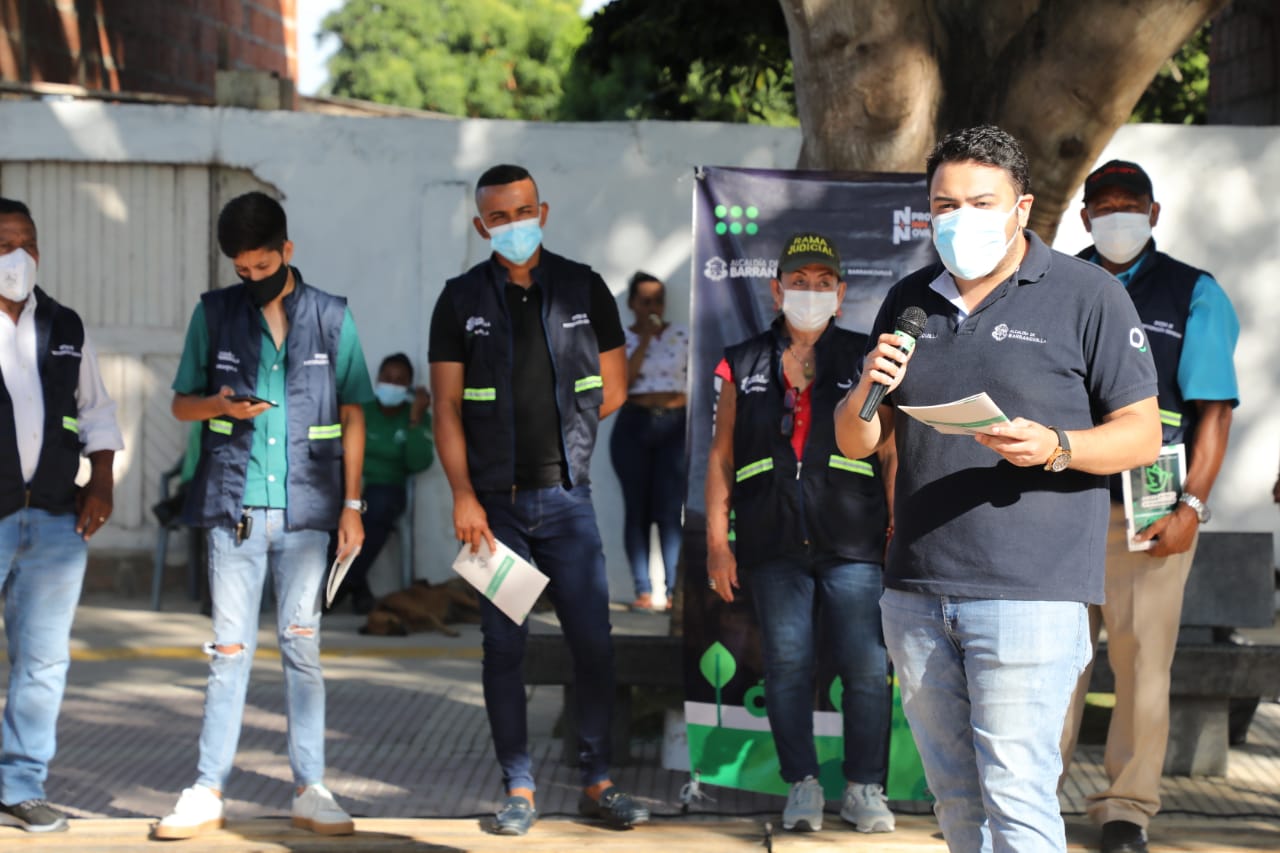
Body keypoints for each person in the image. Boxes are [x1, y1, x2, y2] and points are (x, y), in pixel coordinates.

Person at [833, 125, 1162, 853]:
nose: (959, 219)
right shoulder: (909, 301)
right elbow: (856, 439)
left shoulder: (1087, 294)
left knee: (1017, 796)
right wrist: (867, 383)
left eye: (981, 202)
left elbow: (1140, 433)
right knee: (956, 803)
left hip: (1030, 594)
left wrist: (1058, 446)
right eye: (943, 204)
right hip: (916, 591)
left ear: (1023, 207)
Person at [429, 164, 647, 836]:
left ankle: (597, 779)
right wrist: (464, 495)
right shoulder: (459, 299)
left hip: (567, 501)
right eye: (499, 217)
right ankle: (518, 785)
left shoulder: (583, 286)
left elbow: (613, 387)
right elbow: (445, 406)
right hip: (496, 512)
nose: (514, 225)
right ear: (480, 226)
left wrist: (570, 440)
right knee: (505, 645)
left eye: (523, 211)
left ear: (542, 211)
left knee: (593, 643)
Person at [156, 191, 373, 840]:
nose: (252, 279)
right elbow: (180, 406)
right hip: (235, 510)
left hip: (310, 512)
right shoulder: (214, 313)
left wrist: (354, 506)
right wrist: (219, 405)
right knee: (229, 651)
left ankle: (311, 787)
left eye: (262, 265)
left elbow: (357, 408)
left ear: (287, 250)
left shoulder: (332, 317)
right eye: (241, 269)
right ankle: (206, 787)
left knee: (302, 649)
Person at [1059, 160, 1239, 853]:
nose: (1117, 217)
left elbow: (1214, 410)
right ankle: (1029, 802)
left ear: (1154, 213)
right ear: (1084, 219)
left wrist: (1192, 502)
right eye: (1104, 207)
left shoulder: (1195, 293)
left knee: (1141, 666)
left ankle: (1125, 808)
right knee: (1049, 661)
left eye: (1129, 205)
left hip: (1151, 508)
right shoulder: (1055, 284)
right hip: (1062, 505)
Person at [705, 232, 896, 834]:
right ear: (776, 289)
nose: (808, 292)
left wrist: (899, 528)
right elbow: (720, 457)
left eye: (822, 283)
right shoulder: (741, 359)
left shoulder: (867, 357)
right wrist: (718, 541)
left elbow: (890, 450)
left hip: (854, 538)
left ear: (840, 294)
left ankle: (866, 789)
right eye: (798, 281)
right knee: (787, 663)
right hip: (772, 539)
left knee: (866, 666)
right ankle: (802, 786)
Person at [0, 198, 123, 833]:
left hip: (54, 519)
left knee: (43, 661)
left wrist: (100, 481)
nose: (17, 257)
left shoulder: (65, 325)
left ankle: (19, 786)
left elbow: (96, 411)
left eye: (28, 243)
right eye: (3, 243)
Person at [329, 352, 434, 614]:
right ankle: (357, 586)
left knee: (378, 508)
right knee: (331, 510)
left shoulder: (416, 417)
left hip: (386, 489)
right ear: (377, 379)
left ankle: (343, 584)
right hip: (350, 487)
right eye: (387, 378)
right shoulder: (361, 410)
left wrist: (414, 419)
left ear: (409, 386)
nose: (392, 384)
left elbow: (417, 462)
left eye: (400, 380)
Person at [609, 271, 688, 610]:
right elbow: (622, 382)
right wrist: (644, 341)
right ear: (632, 305)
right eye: (646, 301)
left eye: (658, 300)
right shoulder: (622, 340)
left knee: (669, 512)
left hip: (674, 425)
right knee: (637, 511)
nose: (653, 307)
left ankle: (672, 592)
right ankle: (643, 590)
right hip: (635, 425)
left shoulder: (682, 335)